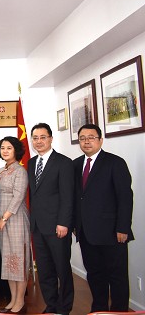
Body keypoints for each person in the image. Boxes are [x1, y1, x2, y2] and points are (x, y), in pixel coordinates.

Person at [74, 124, 134, 312]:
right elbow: (76, 198)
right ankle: (99, 309)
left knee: (117, 276)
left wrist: (123, 227)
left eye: (91, 137)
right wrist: (76, 225)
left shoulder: (115, 162)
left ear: (100, 140)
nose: (86, 141)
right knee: (94, 274)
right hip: (86, 232)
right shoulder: (75, 165)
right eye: (82, 138)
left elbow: (125, 198)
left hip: (112, 232)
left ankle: (119, 311)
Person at [28, 123, 75, 315]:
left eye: (43, 137)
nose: (39, 141)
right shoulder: (31, 163)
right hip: (38, 227)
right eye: (35, 138)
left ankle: (64, 308)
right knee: (45, 270)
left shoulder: (64, 163)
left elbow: (67, 196)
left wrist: (63, 222)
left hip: (57, 226)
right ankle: (51, 305)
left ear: (51, 139)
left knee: (62, 269)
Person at [0, 137, 30, 314]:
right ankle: (13, 299)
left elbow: (18, 197)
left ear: (16, 150)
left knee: (18, 260)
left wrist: (4, 218)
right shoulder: (0, 171)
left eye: (9, 148)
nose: (5, 151)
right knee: (8, 261)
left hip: (15, 219)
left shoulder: (20, 171)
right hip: (1, 220)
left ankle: (20, 300)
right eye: (2, 148)